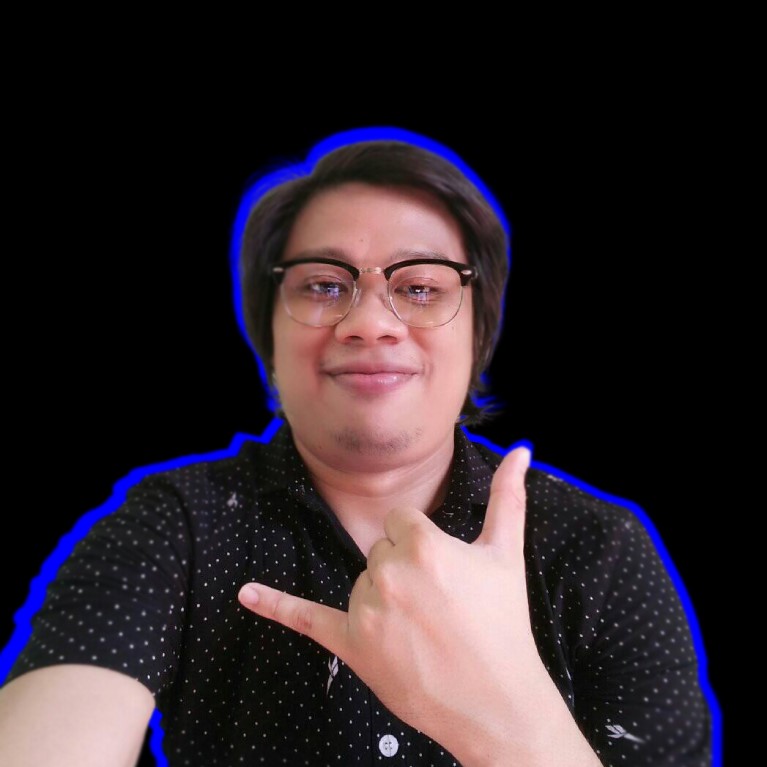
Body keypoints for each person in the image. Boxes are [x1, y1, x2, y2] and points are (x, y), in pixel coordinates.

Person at [0, 133, 713, 766]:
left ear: (479, 331)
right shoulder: (173, 528)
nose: (370, 322)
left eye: (420, 287)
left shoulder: (599, 550)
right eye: (323, 284)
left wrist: (504, 718)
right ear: (268, 331)